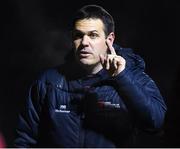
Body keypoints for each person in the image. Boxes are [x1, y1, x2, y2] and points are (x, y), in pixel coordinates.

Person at [14, 4, 167, 147]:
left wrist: (121, 77)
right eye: (78, 35)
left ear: (109, 39)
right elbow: (25, 140)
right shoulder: (48, 82)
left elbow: (158, 123)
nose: (84, 42)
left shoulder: (131, 77)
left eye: (93, 35)